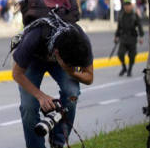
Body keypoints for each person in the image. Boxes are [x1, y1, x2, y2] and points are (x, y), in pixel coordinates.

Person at [11, 12, 94, 148]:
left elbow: (89, 77)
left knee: (72, 93)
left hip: (62, 56)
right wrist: (40, 96)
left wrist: (70, 71)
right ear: (56, 54)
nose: (72, 67)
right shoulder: (33, 37)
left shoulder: (81, 42)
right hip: (34, 58)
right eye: (69, 64)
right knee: (29, 106)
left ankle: (58, 142)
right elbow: (16, 74)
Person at [115, 0, 144, 77]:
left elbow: (140, 26)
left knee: (132, 55)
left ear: (131, 6)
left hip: (132, 38)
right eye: (125, 5)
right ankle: (124, 68)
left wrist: (141, 37)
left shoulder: (135, 15)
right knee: (120, 54)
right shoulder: (121, 15)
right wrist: (116, 36)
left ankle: (130, 70)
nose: (127, 7)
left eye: (128, 5)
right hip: (123, 38)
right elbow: (119, 27)